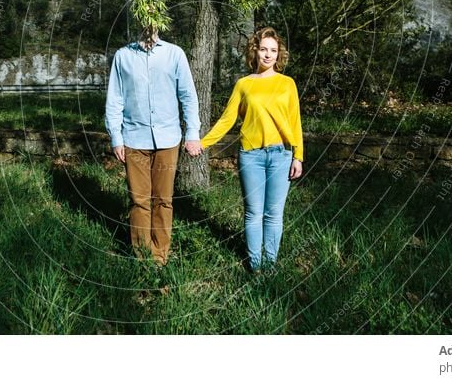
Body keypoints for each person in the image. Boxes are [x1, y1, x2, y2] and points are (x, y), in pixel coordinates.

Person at [200, 26, 303, 271]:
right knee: (253, 213)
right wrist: (202, 143)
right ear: (254, 51)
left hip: (281, 155)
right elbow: (227, 120)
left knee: (273, 214)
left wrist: (298, 156)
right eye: (264, 49)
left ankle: (270, 267)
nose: (268, 55)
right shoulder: (243, 85)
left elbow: (295, 121)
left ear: (279, 55)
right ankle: (255, 267)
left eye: (274, 50)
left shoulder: (287, 84)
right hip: (251, 156)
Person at [105, 25, 202, 267]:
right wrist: (116, 136)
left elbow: (188, 96)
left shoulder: (174, 54)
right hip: (134, 139)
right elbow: (115, 98)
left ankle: (160, 257)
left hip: (168, 139)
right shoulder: (123, 56)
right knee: (139, 201)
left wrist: (192, 132)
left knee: (163, 200)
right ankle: (143, 257)